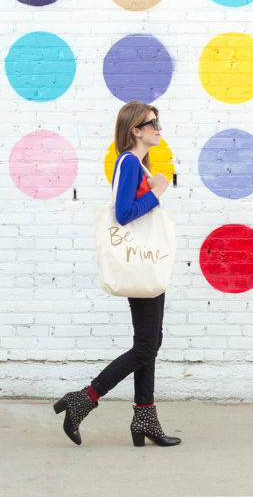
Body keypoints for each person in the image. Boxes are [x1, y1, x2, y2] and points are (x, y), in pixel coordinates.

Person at [53, 100, 181, 448]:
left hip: (146, 261)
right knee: (145, 346)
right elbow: (124, 214)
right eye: (152, 123)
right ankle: (84, 399)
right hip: (141, 262)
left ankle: (145, 418)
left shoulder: (137, 165)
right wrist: (155, 192)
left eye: (158, 122)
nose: (158, 128)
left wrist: (151, 187)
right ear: (135, 130)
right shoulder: (128, 162)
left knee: (150, 343)